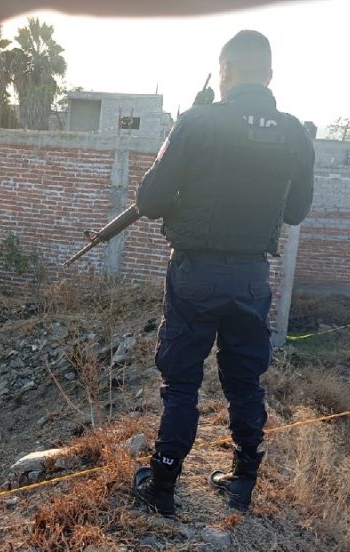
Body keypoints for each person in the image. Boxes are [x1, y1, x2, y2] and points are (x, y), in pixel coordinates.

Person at [131, 30, 315, 516]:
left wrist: (185, 134)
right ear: (270, 75)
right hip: (253, 277)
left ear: (224, 71)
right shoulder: (296, 132)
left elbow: (148, 200)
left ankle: (163, 488)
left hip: (196, 275)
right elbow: (296, 212)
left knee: (182, 383)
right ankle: (241, 484)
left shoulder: (198, 122)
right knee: (244, 382)